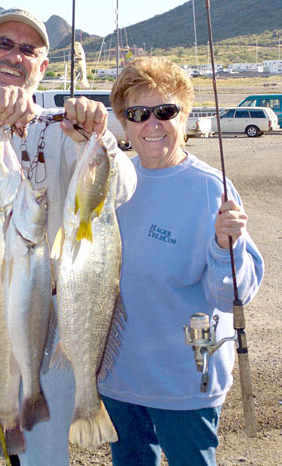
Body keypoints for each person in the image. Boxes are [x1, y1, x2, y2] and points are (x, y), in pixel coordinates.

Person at [0, 7, 136, 466]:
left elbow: (122, 190)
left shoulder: (62, 128)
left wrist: (95, 140)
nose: (14, 56)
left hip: (48, 317)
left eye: (28, 50)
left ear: (42, 67)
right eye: (3, 44)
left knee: (46, 461)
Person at [98, 56, 264, 466]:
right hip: (118, 381)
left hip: (185, 384)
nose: (152, 124)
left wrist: (226, 245)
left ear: (185, 116)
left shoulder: (212, 189)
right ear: (123, 122)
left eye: (165, 111)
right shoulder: (109, 183)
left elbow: (229, 297)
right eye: (137, 113)